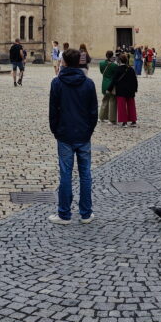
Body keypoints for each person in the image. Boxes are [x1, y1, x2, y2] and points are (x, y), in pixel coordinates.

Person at [48, 48, 98, 225]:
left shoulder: (57, 83)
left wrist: (56, 130)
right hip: (83, 134)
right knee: (85, 174)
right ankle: (86, 213)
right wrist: (88, 130)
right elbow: (93, 112)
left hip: (65, 134)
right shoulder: (88, 83)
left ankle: (64, 214)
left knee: (65, 174)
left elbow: (53, 111)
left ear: (65, 62)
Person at [112, 53, 138, 127]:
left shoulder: (118, 69)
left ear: (120, 61)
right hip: (130, 90)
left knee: (122, 106)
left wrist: (109, 89)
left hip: (121, 90)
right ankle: (133, 121)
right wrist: (135, 89)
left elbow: (114, 80)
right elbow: (135, 80)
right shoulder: (131, 69)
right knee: (131, 105)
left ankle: (124, 122)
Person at [98, 51, 119, 125]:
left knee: (105, 100)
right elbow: (116, 75)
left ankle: (101, 117)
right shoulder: (114, 65)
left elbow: (101, 72)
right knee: (112, 101)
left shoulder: (101, 64)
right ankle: (112, 119)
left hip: (104, 83)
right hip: (111, 84)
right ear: (112, 56)